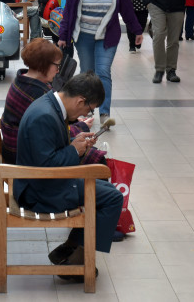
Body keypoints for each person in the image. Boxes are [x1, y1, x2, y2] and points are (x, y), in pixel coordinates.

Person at [15, 73, 125, 276]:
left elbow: (49, 152)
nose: (85, 113)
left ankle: (72, 247)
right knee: (113, 198)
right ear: (80, 100)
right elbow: (47, 166)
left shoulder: (49, 103)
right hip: (39, 191)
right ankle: (77, 261)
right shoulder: (45, 116)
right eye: (88, 109)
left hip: (42, 182)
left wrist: (76, 143)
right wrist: (74, 150)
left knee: (108, 190)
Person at [58, 0, 142, 126]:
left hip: (107, 36)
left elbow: (126, 9)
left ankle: (104, 113)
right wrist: (63, 34)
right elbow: (69, 9)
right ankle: (83, 112)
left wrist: (136, 30)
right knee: (87, 74)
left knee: (103, 72)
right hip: (83, 35)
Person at [0, 38, 105, 166]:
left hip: (20, 148)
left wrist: (75, 123)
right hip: (21, 155)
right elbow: (49, 130)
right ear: (43, 65)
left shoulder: (22, 80)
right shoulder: (36, 93)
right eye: (56, 65)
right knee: (96, 159)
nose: (58, 70)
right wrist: (80, 128)